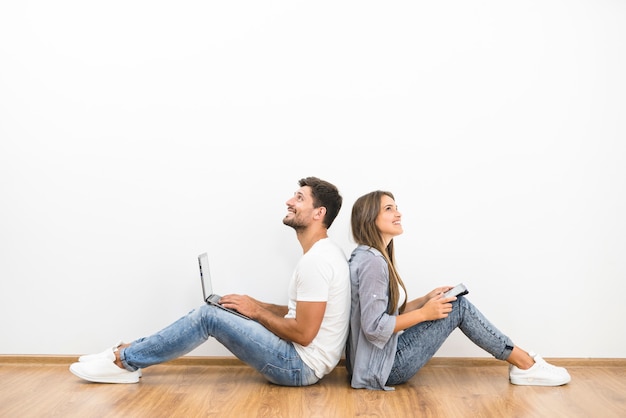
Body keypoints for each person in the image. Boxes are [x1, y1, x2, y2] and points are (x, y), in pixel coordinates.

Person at [70, 177, 351, 387]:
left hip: (298, 367)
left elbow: (303, 333)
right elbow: (301, 315)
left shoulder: (316, 262)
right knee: (218, 310)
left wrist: (256, 313)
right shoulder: (323, 254)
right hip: (301, 360)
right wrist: (255, 305)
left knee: (209, 317)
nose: (289, 201)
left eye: (300, 198)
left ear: (319, 213)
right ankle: (128, 352)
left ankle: (124, 361)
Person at [345, 190, 571, 390]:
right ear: (369, 218)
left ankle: (523, 362)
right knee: (458, 307)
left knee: (453, 302)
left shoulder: (368, 256)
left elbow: (384, 315)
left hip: (374, 362)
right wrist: (425, 314)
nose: (398, 213)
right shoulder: (373, 262)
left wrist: (425, 301)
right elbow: (374, 328)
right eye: (388, 209)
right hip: (383, 368)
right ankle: (525, 364)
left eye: (396, 207)